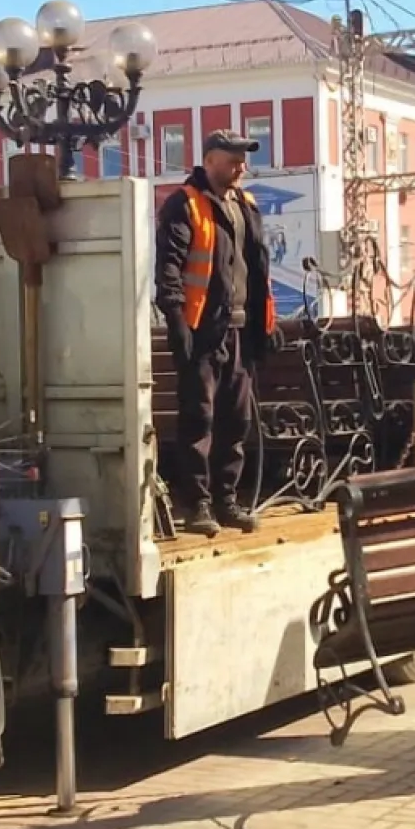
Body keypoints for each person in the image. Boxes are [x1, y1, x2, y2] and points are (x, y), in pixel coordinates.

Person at [154, 129, 277, 538]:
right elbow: (169, 269)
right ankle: (198, 503)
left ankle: (226, 500)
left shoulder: (247, 205)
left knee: (236, 419)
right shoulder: (184, 204)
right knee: (199, 417)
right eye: (232, 158)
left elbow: (257, 272)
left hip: (240, 330)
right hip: (202, 331)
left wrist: (265, 325)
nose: (241, 166)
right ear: (209, 161)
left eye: (244, 159)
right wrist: (177, 324)